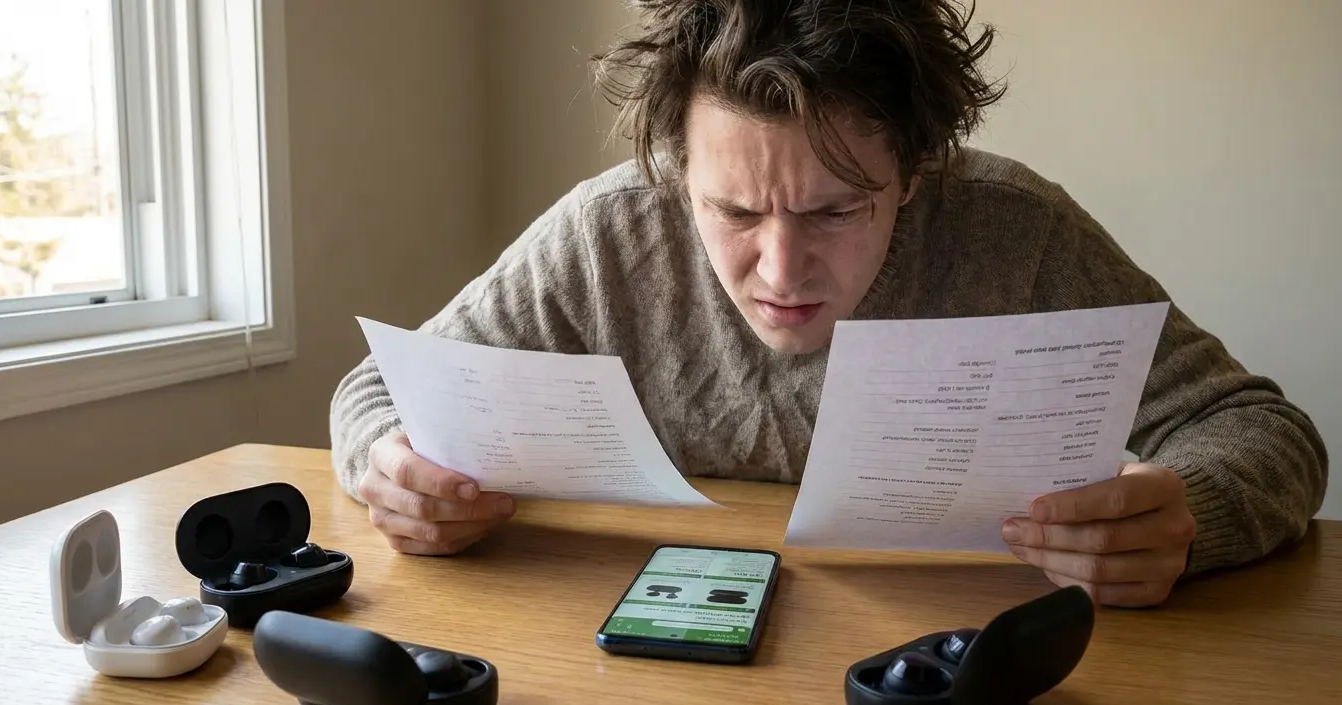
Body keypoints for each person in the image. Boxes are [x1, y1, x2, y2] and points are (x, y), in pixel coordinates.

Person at [328, 0, 1328, 607]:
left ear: (917, 171)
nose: (779, 268)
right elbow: (377, 389)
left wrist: (1188, 515)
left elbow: (1266, 432)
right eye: (731, 211)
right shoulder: (606, 235)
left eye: (835, 210)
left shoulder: (1013, 231)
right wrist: (391, 467)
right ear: (678, 173)